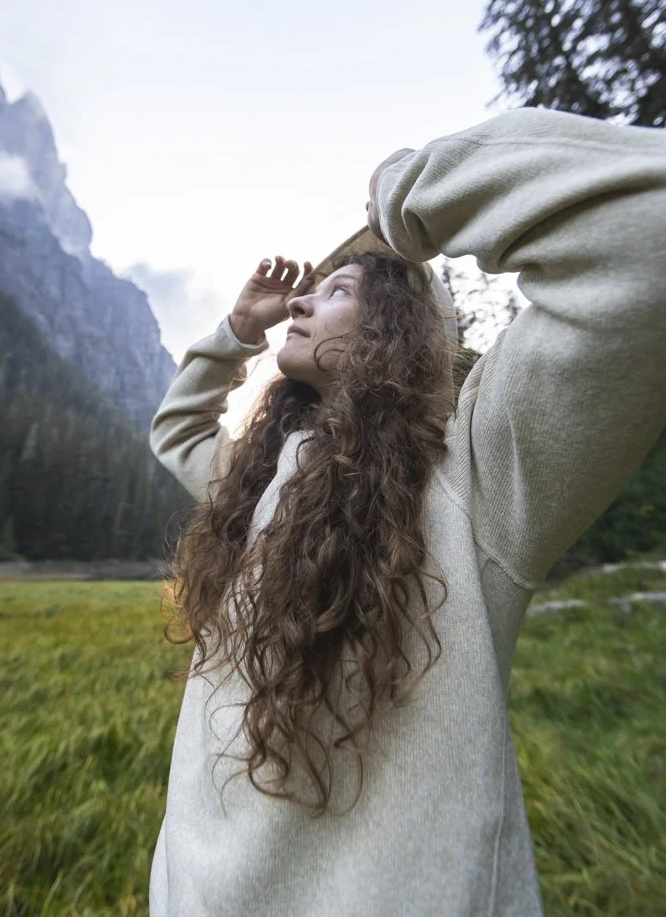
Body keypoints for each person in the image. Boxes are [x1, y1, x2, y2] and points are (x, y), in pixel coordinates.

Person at [147, 107, 665, 917]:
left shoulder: (478, 476)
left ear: (393, 329)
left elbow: (646, 229)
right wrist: (233, 334)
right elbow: (175, 428)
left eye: (338, 289)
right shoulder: (253, 480)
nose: (301, 304)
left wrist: (405, 195)